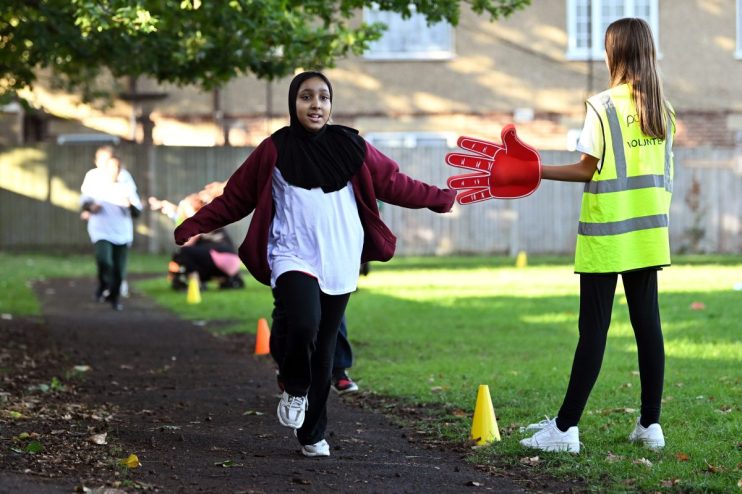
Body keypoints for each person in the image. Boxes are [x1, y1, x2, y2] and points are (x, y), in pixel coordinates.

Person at [174, 71, 455, 457]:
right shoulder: (274, 150)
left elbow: (394, 182)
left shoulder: (352, 146)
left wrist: (439, 197)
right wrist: (193, 225)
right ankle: (294, 386)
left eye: (323, 97)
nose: (316, 105)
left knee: (325, 347)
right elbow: (236, 197)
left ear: (331, 105)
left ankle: (313, 433)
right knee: (304, 322)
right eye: (306, 97)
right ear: (293, 104)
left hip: (340, 255)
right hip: (291, 253)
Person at [520, 18, 675, 454]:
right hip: (648, 235)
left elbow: (587, 168)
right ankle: (650, 425)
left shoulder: (603, 106)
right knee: (649, 329)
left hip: (607, 235)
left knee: (593, 331)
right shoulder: (664, 110)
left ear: (615, 53)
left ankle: (566, 430)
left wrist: (537, 169)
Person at [80, 153, 143, 311]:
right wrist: (91, 207)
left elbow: (137, 212)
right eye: (111, 168)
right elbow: (84, 202)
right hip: (101, 231)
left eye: (117, 168)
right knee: (105, 261)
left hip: (122, 233)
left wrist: (129, 205)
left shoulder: (126, 186)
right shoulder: (96, 184)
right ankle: (103, 284)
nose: (114, 171)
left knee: (119, 271)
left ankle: (114, 298)